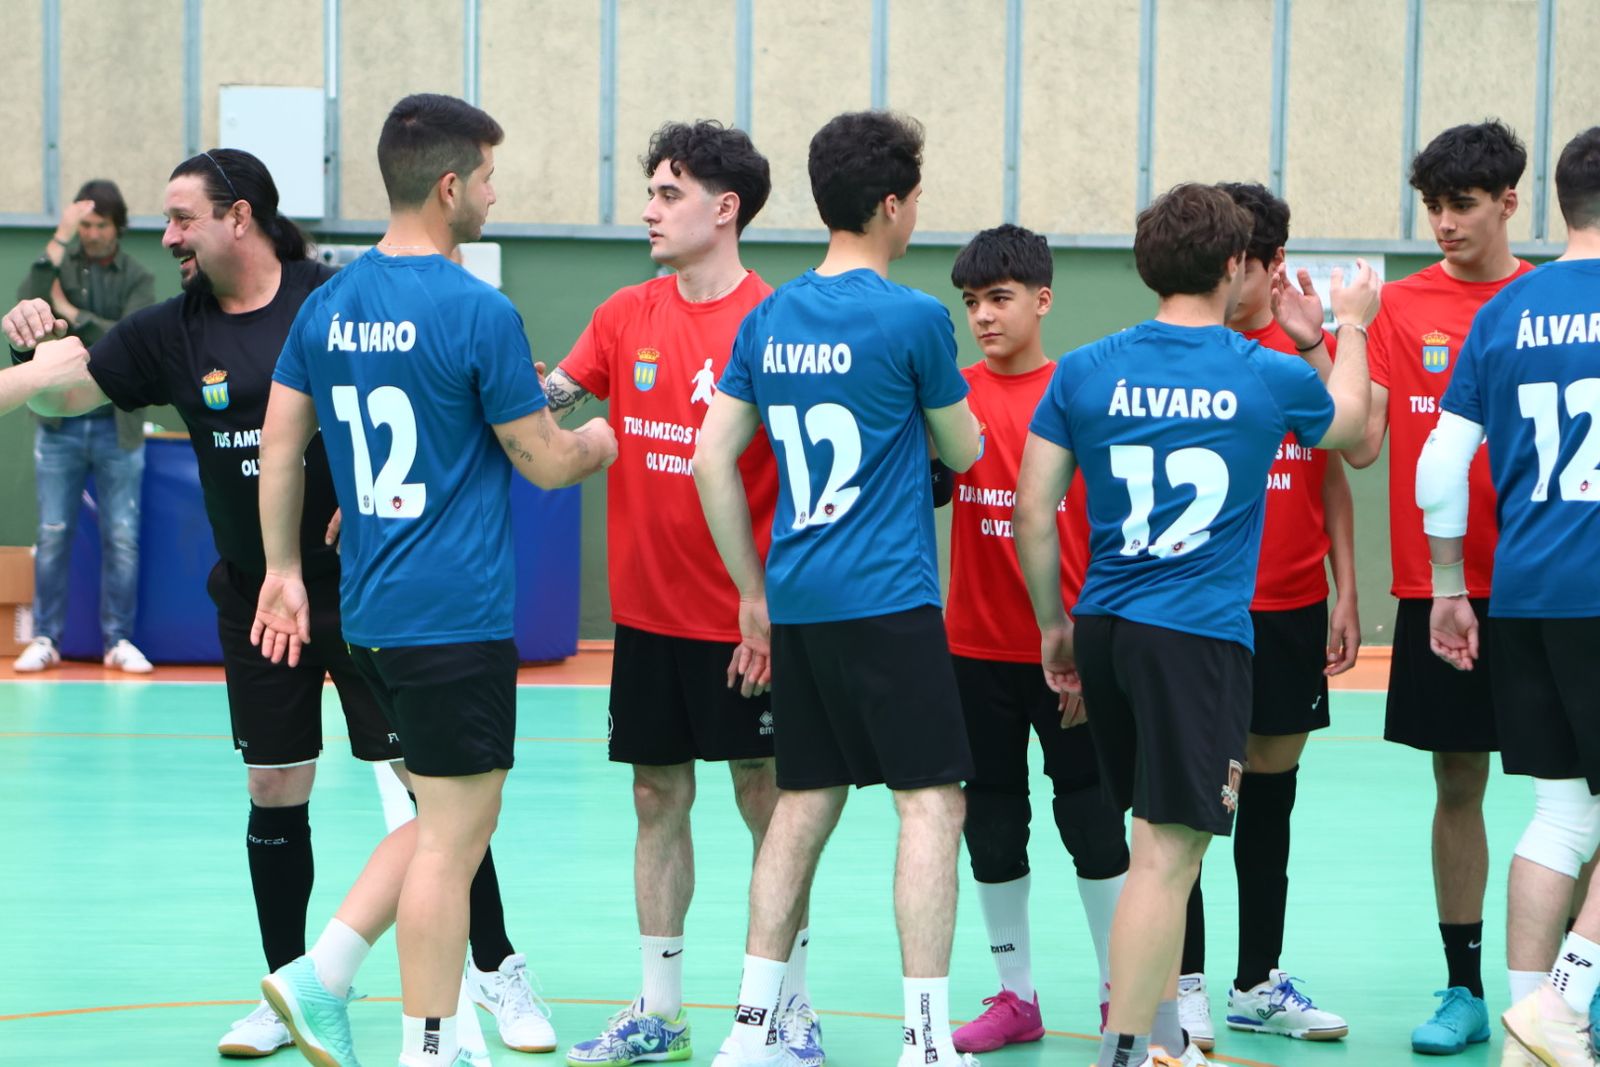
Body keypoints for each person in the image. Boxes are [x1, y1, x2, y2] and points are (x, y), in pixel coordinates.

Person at [0, 145, 541, 1060]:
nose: (168, 236)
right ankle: (293, 990)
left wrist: (373, 505)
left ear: (239, 216)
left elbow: (434, 406)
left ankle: (496, 966)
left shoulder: (330, 300)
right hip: (258, 599)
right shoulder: (171, 332)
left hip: (369, 592)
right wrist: (30, 355)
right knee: (275, 786)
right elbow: (68, 396)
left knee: (439, 794)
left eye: (183, 218)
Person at [251, 92, 616, 1067]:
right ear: (450, 186)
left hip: (371, 612)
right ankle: (423, 1045)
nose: (495, 195)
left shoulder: (326, 305)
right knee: (453, 843)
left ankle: (321, 973)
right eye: (489, 178)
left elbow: (281, 446)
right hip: (453, 616)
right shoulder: (477, 310)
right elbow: (544, 461)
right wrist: (601, 439)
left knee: (443, 820)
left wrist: (284, 569)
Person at [1013, 182, 1378, 1067]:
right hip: (1197, 637)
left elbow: (1032, 509)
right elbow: (1353, 426)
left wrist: (1054, 625)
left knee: (1153, 846)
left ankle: (1157, 1039)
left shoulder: (1084, 369)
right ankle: (1132, 1050)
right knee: (1165, 858)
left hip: (1104, 627)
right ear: (1232, 265)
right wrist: (1352, 326)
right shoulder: (1263, 371)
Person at [694, 108, 981, 1067]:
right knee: (931, 804)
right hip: (890, 601)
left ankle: (750, 1031)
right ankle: (927, 1041)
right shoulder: (914, 318)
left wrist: (753, 589)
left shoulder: (769, 316)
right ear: (892, 205)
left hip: (801, 599)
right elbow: (965, 450)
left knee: (803, 802)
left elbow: (709, 459)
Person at [540, 121, 825, 1067]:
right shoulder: (624, 313)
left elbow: (809, 482)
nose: (649, 210)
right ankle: (660, 1011)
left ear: (725, 208)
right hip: (647, 617)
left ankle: (790, 1007)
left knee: (767, 802)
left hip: (746, 618)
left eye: (669, 193)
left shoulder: (776, 321)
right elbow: (547, 403)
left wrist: (772, 607)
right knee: (655, 793)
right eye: (652, 191)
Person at [1341, 119, 1535, 1056]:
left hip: (1545, 581)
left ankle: (1571, 985)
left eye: (1462, 204)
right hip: (1439, 585)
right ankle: (1464, 987)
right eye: (1432, 207)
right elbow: (1361, 442)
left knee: (1579, 789)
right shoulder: (1401, 307)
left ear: (1509, 202)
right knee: (1458, 780)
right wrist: (1328, 342)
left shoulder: (1549, 302)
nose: (1445, 223)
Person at [1418, 125, 1600, 1067]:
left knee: (1561, 815)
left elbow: (1439, 466)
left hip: (1525, 597)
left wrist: (1450, 588)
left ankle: (1530, 1029)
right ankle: (1564, 1000)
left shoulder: (1505, 312)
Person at [934, 223, 1129, 1052]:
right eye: (971, 301)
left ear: (1043, 299)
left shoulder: (1081, 392)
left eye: (1000, 298)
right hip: (974, 651)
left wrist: (1090, 641)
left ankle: (1122, 994)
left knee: (1093, 822)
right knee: (991, 822)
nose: (983, 315)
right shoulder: (950, 397)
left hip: (1071, 654)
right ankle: (1016, 996)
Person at [1175, 182, 1355, 1050]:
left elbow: (1345, 454)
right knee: (1193, 805)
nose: (1232, 273)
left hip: (1291, 606)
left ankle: (1256, 981)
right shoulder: (1191, 346)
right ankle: (1183, 985)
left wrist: (1345, 583)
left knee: (1271, 799)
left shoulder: (1301, 350)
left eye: (1246, 260)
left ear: (1272, 263)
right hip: (1205, 608)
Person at [13, 180, 155, 673]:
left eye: (101, 225)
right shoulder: (60, 267)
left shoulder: (137, 277)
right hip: (58, 426)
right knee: (53, 532)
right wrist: (60, 235)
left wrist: (73, 314)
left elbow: (133, 339)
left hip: (118, 426)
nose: (92, 234)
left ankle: (118, 641)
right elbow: (23, 315)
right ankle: (46, 638)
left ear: (118, 227)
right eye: (85, 226)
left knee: (122, 535)